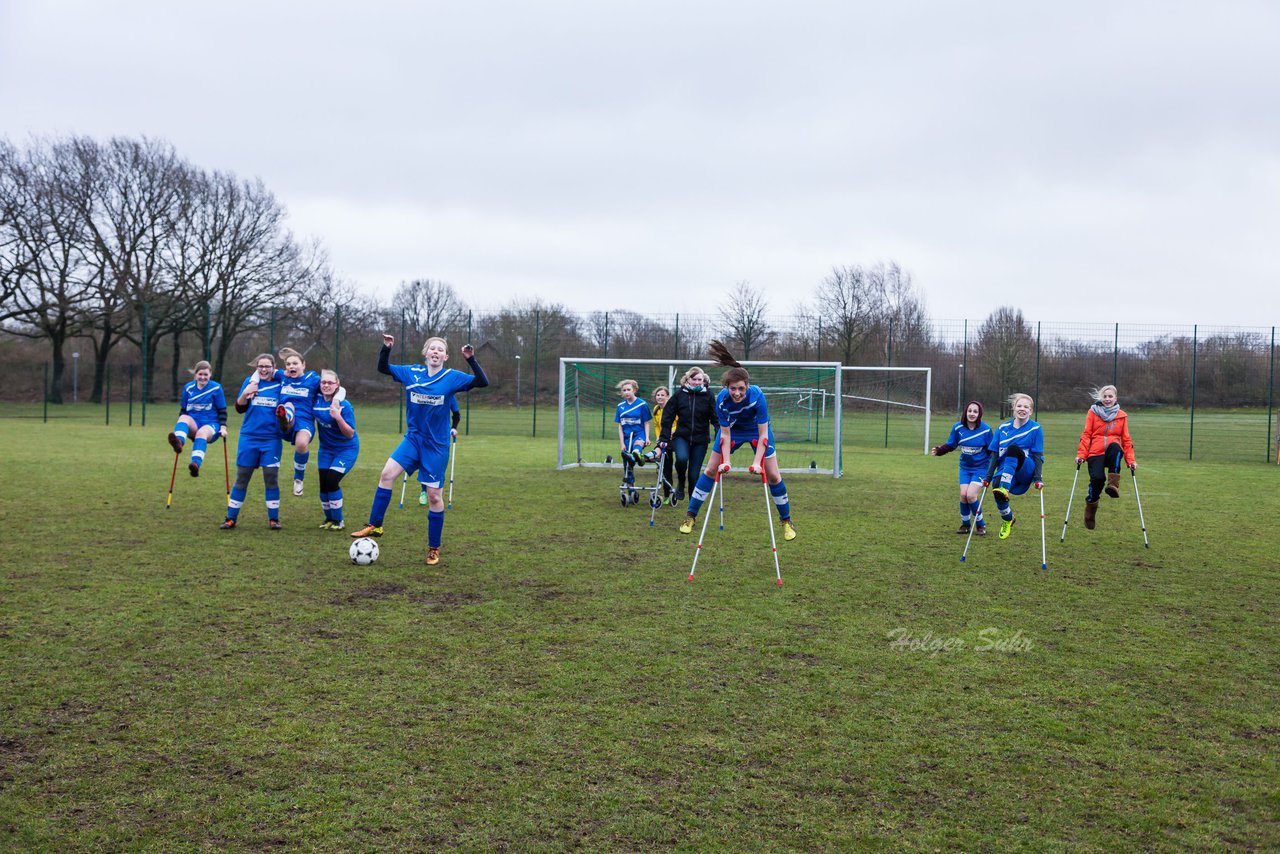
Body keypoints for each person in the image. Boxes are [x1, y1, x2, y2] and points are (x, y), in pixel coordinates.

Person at [351, 335, 489, 567]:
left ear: (445, 356)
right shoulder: (410, 372)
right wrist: (387, 348)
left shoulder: (452, 377)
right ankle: (375, 525)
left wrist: (471, 359)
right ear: (425, 354)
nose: (435, 351)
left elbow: (482, 382)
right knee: (386, 475)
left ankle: (434, 548)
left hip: (436, 445)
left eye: (440, 349)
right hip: (414, 439)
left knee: (434, 496)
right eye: (432, 348)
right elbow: (382, 367)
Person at [678, 341, 796, 541]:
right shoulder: (722, 400)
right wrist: (726, 462)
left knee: (774, 475)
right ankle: (690, 516)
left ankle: (786, 521)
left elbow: (763, 434)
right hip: (732, 431)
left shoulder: (757, 396)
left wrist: (757, 464)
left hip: (757, 431)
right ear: (727, 387)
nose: (737, 393)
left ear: (747, 386)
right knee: (710, 470)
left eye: (741, 388)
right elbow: (724, 434)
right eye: (733, 389)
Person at [221, 354, 286, 530]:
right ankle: (231, 518)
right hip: (249, 437)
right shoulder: (250, 382)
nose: (263, 369)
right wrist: (245, 393)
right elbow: (239, 408)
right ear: (256, 368)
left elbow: (287, 375)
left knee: (271, 477)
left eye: (267, 366)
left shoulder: (280, 384)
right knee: (242, 477)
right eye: (260, 366)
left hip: (271, 439)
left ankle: (274, 519)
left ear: (274, 367)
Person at [982, 392, 1044, 540]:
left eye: (1026, 407)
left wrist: (1038, 478)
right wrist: (988, 477)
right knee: (996, 486)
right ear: (1013, 408)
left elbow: (1037, 455)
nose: (1022, 409)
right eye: (1019, 405)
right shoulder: (1002, 428)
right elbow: (995, 455)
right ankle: (1007, 519)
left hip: (1025, 468)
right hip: (1006, 470)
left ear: (1031, 411)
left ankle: (1004, 487)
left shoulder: (1035, 428)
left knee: (1014, 449)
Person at [1074, 384, 1137, 530]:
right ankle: (1091, 505)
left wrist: (1131, 460)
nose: (1107, 399)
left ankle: (1113, 484)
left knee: (1116, 447)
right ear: (1100, 398)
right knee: (1097, 479)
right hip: (1095, 452)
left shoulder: (1121, 415)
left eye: (1110, 396)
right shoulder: (1093, 413)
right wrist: (1081, 455)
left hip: (1111, 450)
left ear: (1115, 398)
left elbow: (1126, 440)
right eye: (1105, 396)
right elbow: (1086, 434)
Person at [658, 366, 719, 503]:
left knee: (693, 474)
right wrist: (664, 437)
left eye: (700, 380)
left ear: (704, 381)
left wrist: (718, 432)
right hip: (682, 437)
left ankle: (692, 504)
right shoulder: (680, 395)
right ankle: (680, 481)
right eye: (694, 379)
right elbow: (668, 416)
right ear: (688, 379)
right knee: (681, 459)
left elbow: (715, 417)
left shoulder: (708, 395)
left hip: (700, 439)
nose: (697, 382)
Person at [931, 399, 992, 536]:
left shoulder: (986, 430)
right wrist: (940, 450)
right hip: (965, 468)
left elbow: (992, 451)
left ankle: (980, 525)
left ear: (979, 414)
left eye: (975, 411)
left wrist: (998, 465)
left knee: (971, 495)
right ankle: (965, 525)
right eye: (970, 411)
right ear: (966, 412)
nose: (972, 413)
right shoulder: (958, 428)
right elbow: (951, 444)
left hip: (981, 469)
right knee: (963, 495)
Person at [272, 347, 326, 497]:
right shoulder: (282, 377)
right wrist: (253, 383)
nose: (291, 367)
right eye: (288, 364)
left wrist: (337, 399)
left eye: (295, 363)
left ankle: (298, 479)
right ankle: (284, 417)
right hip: (286, 418)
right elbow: (263, 369)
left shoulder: (312, 379)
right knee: (288, 405)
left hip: (305, 421)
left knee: (302, 444)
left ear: (304, 365)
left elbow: (335, 385)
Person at [313, 369, 359, 530]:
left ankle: (339, 521)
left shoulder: (344, 406)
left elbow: (350, 434)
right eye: (323, 382)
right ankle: (329, 519)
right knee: (323, 484)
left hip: (346, 449)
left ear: (337, 385)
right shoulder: (316, 400)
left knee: (332, 480)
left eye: (330, 383)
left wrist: (338, 417)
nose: (326, 385)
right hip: (326, 450)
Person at [167, 360, 228, 478]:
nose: (203, 377)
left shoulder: (216, 388)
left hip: (211, 425)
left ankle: (195, 464)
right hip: (194, 423)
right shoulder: (188, 388)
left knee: (202, 433)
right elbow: (183, 410)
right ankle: (178, 443)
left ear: (210, 374)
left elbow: (222, 411)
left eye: (206, 374)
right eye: (200, 374)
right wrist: (181, 426)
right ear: (195, 374)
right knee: (184, 417)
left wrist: (223, 427)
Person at [419, 396, 460, 506]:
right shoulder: (427, 393)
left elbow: (456, 414)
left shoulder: (450, 395)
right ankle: (424, 491)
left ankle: (436, 493)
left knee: (439, 468)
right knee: (424, 465)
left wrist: (454, 427)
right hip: (425, 435)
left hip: (442, 438)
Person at [614, 379, 652, 494]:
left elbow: (646, 423)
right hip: (626, 437)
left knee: (636, 448)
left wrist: (647, 438)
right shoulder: (620, 406)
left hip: (639, 434)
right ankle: (631, 486)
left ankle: (637, 454)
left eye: (629, 390)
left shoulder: (642, 404)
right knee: (627, 462)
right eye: (624, 390)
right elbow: (620, 426)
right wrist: (621, 444)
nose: (626, 392)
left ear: (634, 390)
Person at [645, 385, 676, 500]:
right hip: (663, 439)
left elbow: (678, 424)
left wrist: (671, 433)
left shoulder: (673, 408)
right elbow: (657, 426)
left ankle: (650, 455)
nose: (660, 397)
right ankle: (653, 455)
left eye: (662, 395)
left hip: (674, 438)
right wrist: (659, 436)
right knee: (662, 468)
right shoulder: (656, 409)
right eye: (658, 395)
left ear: (667, 396)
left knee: (667, 466)